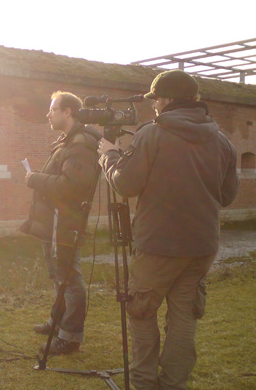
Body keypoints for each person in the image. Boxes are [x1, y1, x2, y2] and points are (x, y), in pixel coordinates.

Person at [97, 70, 239, 389]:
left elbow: (125, 184)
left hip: (158, 246)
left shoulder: (152, 134)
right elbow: (228, 196)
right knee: (184, 315)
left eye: (156, 99)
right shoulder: (222, 141)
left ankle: (144, 383)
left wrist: (109, 156)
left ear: (167, 100)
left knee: (141, 311)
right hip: (202, 246)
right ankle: (174, 383)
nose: (153, 107)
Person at [20, 91, 100, 355]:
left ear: (68, 111)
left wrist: (35, 179)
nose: (48, 114)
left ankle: (70, 337)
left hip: (64, 222)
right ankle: (57, 322)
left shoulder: (80, 145)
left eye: (53, 109)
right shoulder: (67, 142)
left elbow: (72, 187)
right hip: (54, 221)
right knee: (58, 277)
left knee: (70, 279)